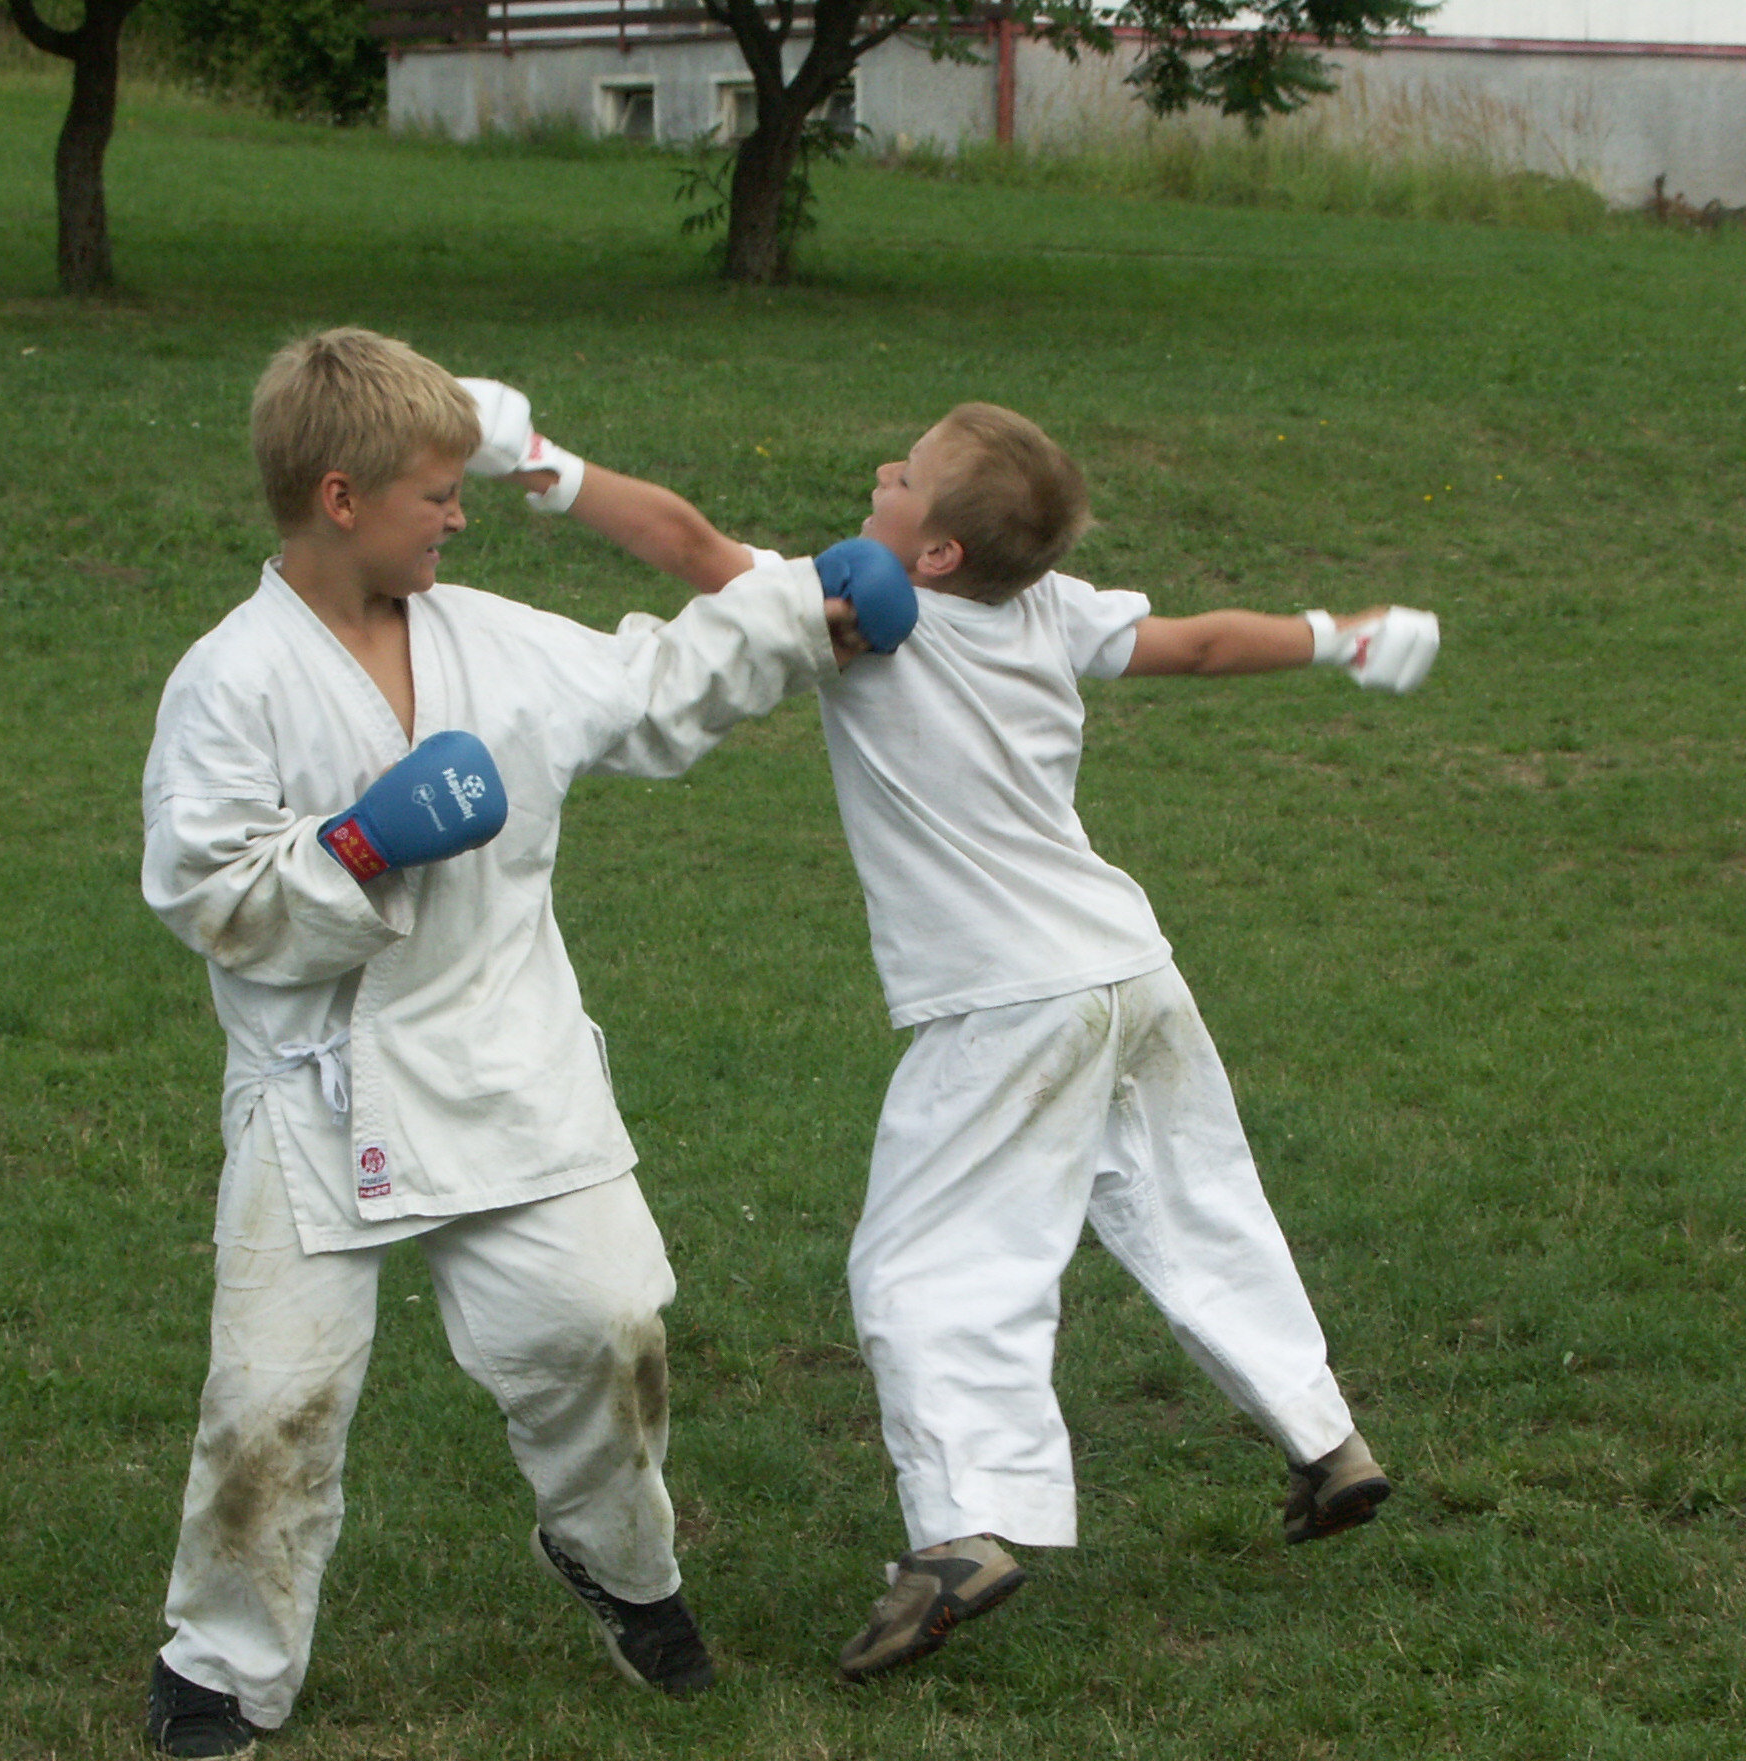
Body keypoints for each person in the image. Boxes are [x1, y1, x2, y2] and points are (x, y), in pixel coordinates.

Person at [490, 390, 1437, 1681]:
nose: (883, 469)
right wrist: (1343, 636)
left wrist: (534, 458)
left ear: (934, 553)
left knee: (923, 1269)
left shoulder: (863, 616)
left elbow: (689, 544)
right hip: (1130, 966)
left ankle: (957, 1538)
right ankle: (1329, 1444)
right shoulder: (1049, 606)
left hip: (1009, 1004)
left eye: (907, 477)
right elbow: (1203, 645)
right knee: (1198, 1204)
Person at [140, 329, 912, 1761]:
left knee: (607, 1330)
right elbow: (210, 896)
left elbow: (648, 683)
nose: (461, 515)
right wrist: (358, 845)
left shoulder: (488, 640)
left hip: (508, 1058)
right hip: (321, 1092)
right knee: (273, 1398)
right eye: (438, 494)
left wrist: (805, 616)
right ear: (341, 498)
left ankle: (619, 1565)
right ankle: (221, 1661)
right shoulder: (231, 681)